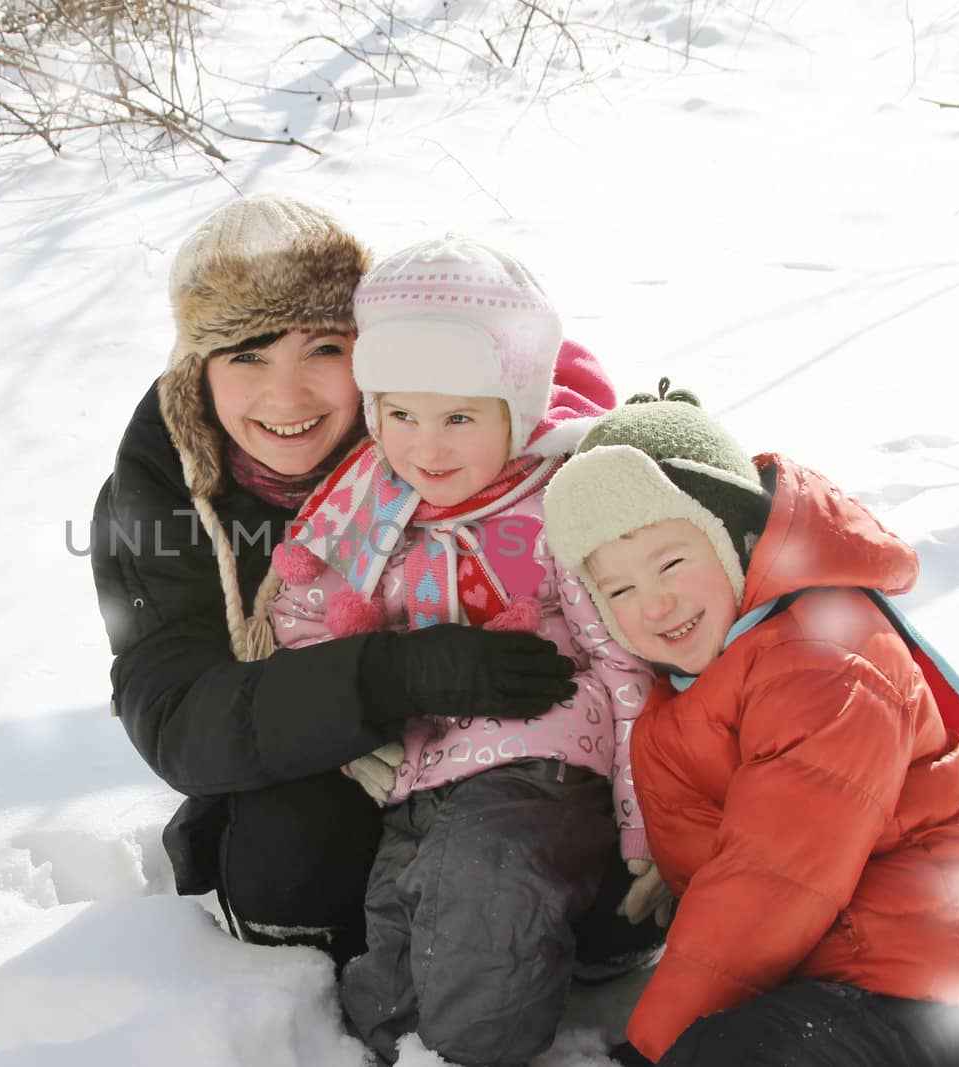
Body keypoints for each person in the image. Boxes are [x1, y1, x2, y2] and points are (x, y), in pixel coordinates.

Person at [88, 195, 578, 964]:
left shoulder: (440, 430)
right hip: (308, 766)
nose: (288, 398)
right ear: (198, 372)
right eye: (247, 354)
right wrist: (393, 677)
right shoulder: (163, 492)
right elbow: (177, 709)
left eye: (322, 348)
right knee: (293, 862)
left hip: (514, 746)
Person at [262, 235, 665, 1066]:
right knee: (395, 942)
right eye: (401, 414)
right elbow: (301, 614)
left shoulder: (557, 504)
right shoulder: (371, 499)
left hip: (537, 766)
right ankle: (388, 1046)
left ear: (515, 411)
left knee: (488, 912)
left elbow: (626, 666)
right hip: (416, 774)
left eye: (458, 417)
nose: (427, 447)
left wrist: (643, 832)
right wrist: (356, 724)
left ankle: (465, 1056)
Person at [541, 383, 959, 1067]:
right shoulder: (700, 674)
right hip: (809, 969)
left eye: (672, 562)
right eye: (616, 589)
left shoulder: (823, 659)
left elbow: (771, 876)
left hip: (905, 985)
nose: (653, 603)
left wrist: (654, 1047)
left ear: (737, 540)